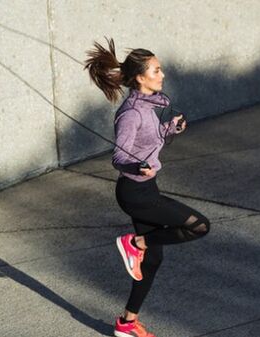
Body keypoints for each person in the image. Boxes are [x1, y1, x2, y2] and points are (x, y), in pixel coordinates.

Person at [85, 38, 210, 337]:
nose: (162, 74)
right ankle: (134, 243)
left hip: (146, 189)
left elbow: (149, 143)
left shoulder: (148, 107)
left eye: (160, 69)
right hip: (135, 194)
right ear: (140, 77)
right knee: (200, 226)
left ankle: (126, 324)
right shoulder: (130, 114)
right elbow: (119, 157)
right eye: (156, 70)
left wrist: (170, 130)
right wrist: (134, 166)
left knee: (153, 259)